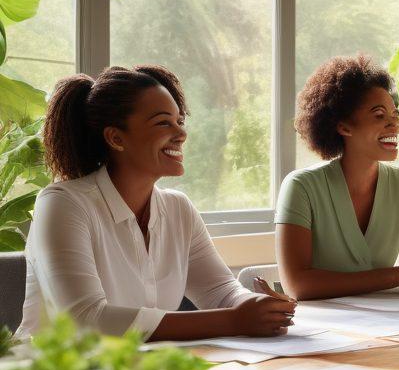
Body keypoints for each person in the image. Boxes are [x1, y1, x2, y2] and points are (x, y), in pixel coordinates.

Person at [19, 65, 295, 342]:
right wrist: (235, 320)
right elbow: (85, 319)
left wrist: (256, 307)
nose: (181, 134)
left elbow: (220, 290)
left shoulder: (178, 208)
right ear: (116, 138)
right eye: (164, 122)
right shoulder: (63, 204)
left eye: (179, 121)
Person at [276, 54, 399, 300]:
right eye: (379, 116)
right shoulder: (301, 187)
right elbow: (298, 285)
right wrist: (396, 276)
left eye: (395, 115)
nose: (394, 125)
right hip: (322, 331)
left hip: (394, 323)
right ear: (344, 127)